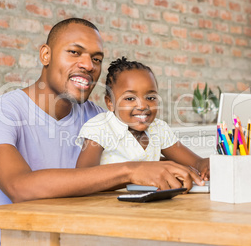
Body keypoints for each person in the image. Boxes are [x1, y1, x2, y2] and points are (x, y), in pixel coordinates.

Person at [0, 18, 204, 246]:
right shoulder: (0, 113)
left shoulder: (96, 116)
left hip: (78, 234)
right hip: (19, 240)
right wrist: (131, 171)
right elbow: (20, 187)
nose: (89, 65)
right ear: (46, 55)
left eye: (96, 58)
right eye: (74, 52)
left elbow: (131, 158)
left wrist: (182, 168)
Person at [75, 57, 210, 182]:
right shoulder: (100, 128)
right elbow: (83, 178)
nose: (143, 106)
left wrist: (206, 166)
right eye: (130, 98)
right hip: (108, 205)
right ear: (110, 102)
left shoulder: (158, 128)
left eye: (151, 98)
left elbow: (197, 163)